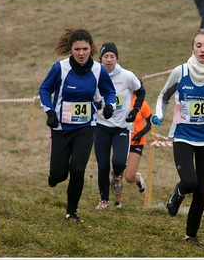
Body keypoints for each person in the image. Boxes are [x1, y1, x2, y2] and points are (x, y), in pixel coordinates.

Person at [150, 29, 204, 246]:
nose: (203, 49)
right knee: (189, 181)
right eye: (198, 45)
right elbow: (164, 95)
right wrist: (158, 115)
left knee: (201, 190)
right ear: (192, 48)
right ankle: (177, 193)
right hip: (182, 135)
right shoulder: (180, 72)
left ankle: (191, 235)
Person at [38, 28, 117, 223]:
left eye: (85, 49)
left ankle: (71, 212)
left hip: (86, 126)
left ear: (91, 48)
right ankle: (55, 176)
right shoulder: (60, 68)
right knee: (59, 173)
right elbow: (44, 90)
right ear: (70, 49)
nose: (81, 53)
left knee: (78, 168)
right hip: (61, 126)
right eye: (77, 49)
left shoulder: (98, 70)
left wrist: (110, 106)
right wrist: (49, 112)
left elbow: (109, 91)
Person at [94, 42, 146, 210]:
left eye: (112, 56)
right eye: (106, 57)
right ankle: (104, 200)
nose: (109, 60)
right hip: (101, 126)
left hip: (122, 128)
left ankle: (117, 175)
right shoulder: (94, 75)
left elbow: (141, 91)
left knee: (118, 163)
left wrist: (135, 110)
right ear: (100, 59)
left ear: (116, 58)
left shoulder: (127, 75)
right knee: (102, 166)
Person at [114, 83, 152, 208]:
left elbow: (150, 122)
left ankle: (138, 179)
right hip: (120, 140)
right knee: (117, 172)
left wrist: (141, 134)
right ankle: (117, 202)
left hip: (136, 142)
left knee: (129, 177)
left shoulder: (142, 104)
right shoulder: (119, 101)